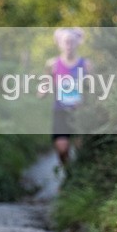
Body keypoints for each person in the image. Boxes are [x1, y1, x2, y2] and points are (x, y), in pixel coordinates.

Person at [39, 28, 89, 167]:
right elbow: (42, 90)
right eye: (65, 42)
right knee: (62, 147)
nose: (69, 45)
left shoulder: (86, 64)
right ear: (59, 44)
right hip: (60, 111)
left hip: (80, 112)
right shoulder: (52, 64)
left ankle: (80, 175)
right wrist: (45, 88)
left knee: (81, 146)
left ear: (77, 43)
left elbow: (95, 88)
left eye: (72, 42)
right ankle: (68, 172)